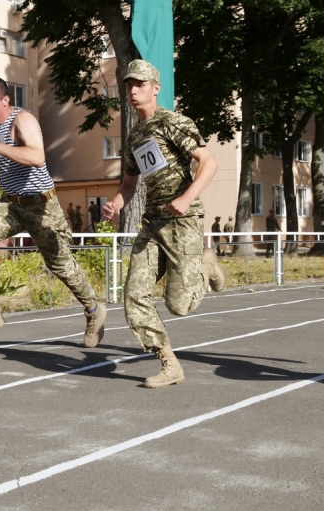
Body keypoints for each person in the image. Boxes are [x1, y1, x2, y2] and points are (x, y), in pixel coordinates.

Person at [102, 59, 224, 389]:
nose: (132, 90)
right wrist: (116, 202)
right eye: (128, 85)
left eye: (140, 84)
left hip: (183, 220)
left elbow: (208, 162)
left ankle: (206, 264)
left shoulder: (172, 122)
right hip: (153, 224)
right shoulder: (134, 136)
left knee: (179, 305)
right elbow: (129, 184)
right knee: (134, 296)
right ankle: (169, 364)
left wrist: (187, 197)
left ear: (155, 88)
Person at [0, 76, 106, 345]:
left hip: (41, 206)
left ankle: (94, 310)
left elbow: (37, 157)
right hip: (11, 204)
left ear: (5, 100)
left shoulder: (22, 120)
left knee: (60, 265)